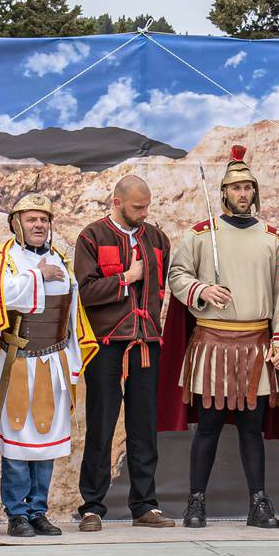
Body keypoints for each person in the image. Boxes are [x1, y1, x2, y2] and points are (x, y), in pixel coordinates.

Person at [161, 146, 279, 529]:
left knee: (252, 426)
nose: (243, 195)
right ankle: (195, 502)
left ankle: (258, 503)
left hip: (256, 343)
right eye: (236, 189)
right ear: (224, 194)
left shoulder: (273, 239)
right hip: (213, 341)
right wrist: (201, 289)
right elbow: (177, 275)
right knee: (210, 425)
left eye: (248, 188)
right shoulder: (201, 237)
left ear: (255, 193)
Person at [0, 193, 98, 537]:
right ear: (16, 224)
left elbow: (70, 315)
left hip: (53, 360)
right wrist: (37, 277)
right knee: (17, 439)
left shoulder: (61, 260)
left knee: (48, 440)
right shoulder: (2, 260)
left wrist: (71, 359)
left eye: (44, 219)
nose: (39, 225)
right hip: (17, 362)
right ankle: (17, 514)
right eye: (31, 219)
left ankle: (39, 510)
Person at [72, 175, 175, 531]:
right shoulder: (92, 236)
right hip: (105, 346)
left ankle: (145, 505)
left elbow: (161, 289)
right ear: (116, 202)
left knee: (144, 427)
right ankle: (92, 507)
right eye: (137, 207)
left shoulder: (158, 239)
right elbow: (84, 291)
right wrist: (126, 278)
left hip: (146, 344)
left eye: (147, 206)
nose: (144, 213)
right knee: (101, 425)